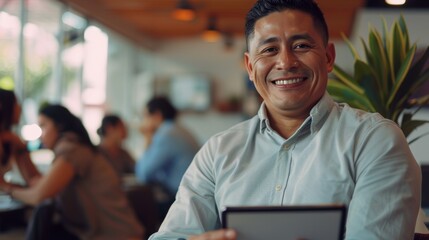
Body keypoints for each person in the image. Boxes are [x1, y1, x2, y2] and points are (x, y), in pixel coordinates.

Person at [148, 0, 421, 239]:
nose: (286, 62)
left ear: (328, 58)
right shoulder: (217, 152)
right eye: (269, 50)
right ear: (250, 67)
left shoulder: (374, 141)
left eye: (301, 45)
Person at [0, 100, 144, 240]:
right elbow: (37, 183)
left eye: (43, 126)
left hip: (117, 235)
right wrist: (21, 149)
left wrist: (6, 187)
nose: (41, 134)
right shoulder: (74, 147)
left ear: (60, 125)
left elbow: (38, 196)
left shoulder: (72, 149)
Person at [135, 96, 200, 218]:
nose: (143, 121)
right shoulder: (179, 129)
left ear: (157, 115)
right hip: (191, 195)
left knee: (137, 206)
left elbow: (143, 174)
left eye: (145, 116)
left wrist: (147, 137)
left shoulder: (166, 134)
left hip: (182, 198)